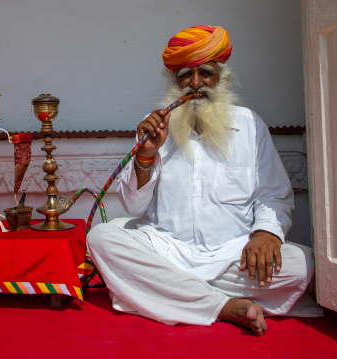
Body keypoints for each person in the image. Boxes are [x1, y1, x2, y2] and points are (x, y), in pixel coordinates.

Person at [86, 25, 322, 337]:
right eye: (185, 75)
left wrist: (266, 235)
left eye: (206, 73)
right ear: (175, 81)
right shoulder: (155, 129)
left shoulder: (249, 125)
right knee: (101, 238)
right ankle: (222, 306)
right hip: (166, 249)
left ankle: (168, 290)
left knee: (304, 264)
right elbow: (132, 205)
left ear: (221, 77)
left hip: (232, 257)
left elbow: (273, 195)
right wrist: (145, 156)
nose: (196, 84)